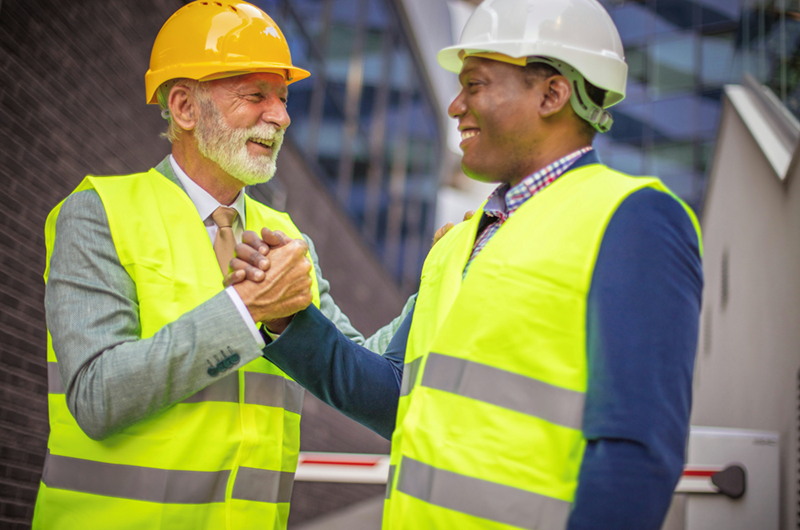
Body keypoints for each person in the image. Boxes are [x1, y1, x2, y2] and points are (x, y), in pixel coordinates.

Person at [232, 0, 704, 528]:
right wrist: (288, 320)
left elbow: (634, 457)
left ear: (552, 94)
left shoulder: (633, 219)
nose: (455, 106)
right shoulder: (458, 242)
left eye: (475, 85)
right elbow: (397, 398)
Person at [33, 2, 412, 528]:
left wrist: (443, 276)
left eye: (282, 98)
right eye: (255, 96)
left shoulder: (289, 238)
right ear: (185, 107)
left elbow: (353, 367)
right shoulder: (100, 214)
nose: (280, 116)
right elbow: (96, 397)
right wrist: (245, 312)